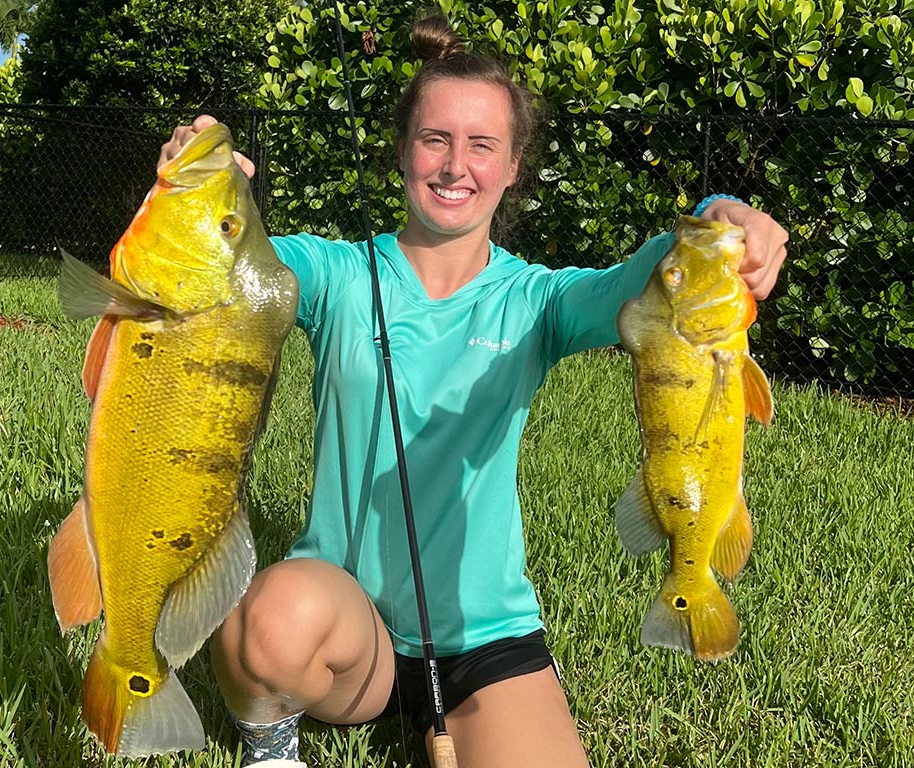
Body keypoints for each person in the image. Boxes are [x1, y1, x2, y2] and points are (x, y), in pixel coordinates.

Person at [158, 14, 788, 768]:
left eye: (482, 145)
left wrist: (728, 217)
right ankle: (270, 738)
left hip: (485, 637)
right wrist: (192, 180)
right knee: (270, 624)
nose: (456, 165)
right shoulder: (333, 273)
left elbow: (650, 280)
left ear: (514, 165)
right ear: (402, 150)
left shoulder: (539, 300)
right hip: (348, 627)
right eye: (435, 139)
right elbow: (225, 271)